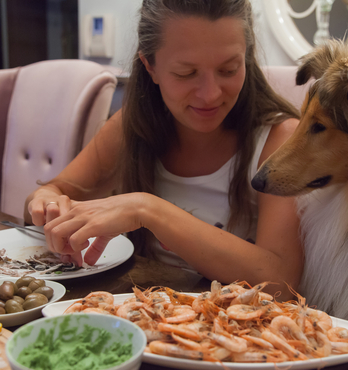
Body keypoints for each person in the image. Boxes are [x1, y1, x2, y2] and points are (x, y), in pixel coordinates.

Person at [24, 0, 303, 299]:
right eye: (186, 73)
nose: (210, 94)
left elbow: (280, 282)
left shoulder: (281, 141)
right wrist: (47, 201)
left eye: (229, 69)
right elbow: (54, 193)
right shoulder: (131, 128)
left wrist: (147, 210)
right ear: (150, 67)